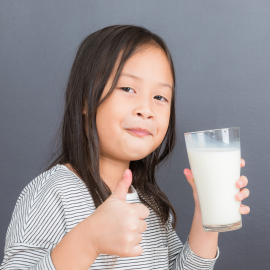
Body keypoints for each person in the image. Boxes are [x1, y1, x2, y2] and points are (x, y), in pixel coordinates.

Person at [0, 25, 250, 270]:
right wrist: (87, 241)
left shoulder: (150, 204)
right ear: (85, 100)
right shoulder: (52, 194)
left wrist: (208, 216)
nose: (146, 109)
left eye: (160, 97)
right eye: (128, 88)